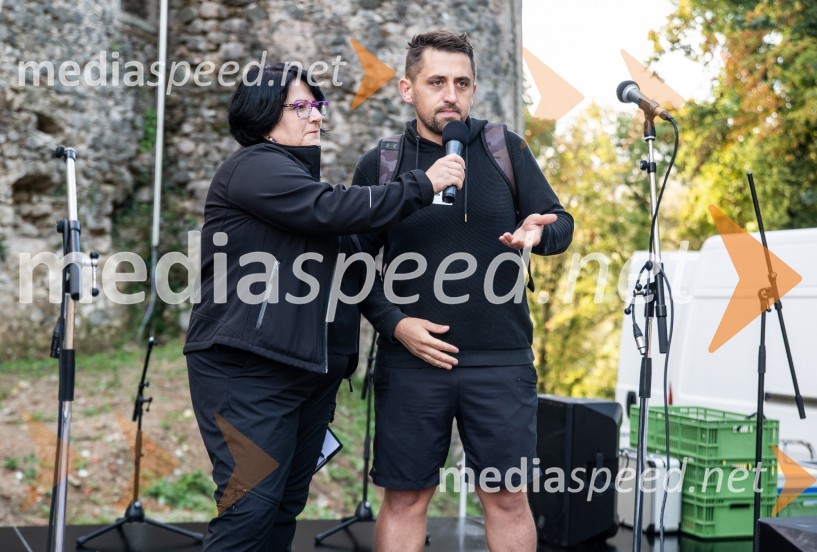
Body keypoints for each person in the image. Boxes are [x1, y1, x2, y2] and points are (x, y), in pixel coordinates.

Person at [184, 62, 464, 551]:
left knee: (281, 511)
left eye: (317, 106)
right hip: (248, 372)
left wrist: (392, 321)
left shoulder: (299, 185)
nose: (315, 116)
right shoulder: (255, 166)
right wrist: (424, 183)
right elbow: (333, 209)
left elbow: (351, 254)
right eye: (300, 106)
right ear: (263, 113)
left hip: (306, 375)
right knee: (248, 511)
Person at [352, 31, 574, 551]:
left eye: (462, 83)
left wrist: (539, 233)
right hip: (411, 361)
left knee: (508, 499)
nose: (450, 93)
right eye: (436, 82)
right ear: (408, 89)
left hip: (501, 360)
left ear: (473, 90)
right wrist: (395, 325)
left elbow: (560, 223)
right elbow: (352, 262)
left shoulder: (504, 149)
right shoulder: (382, 163)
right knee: (405, 499)